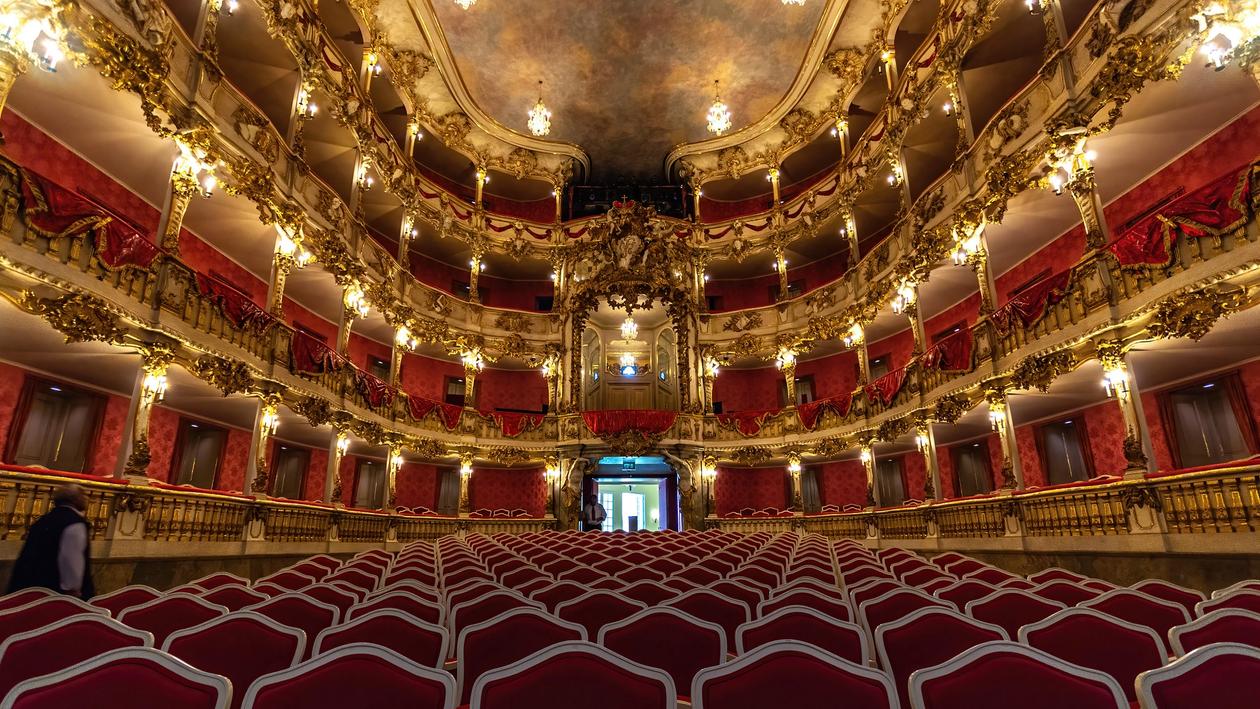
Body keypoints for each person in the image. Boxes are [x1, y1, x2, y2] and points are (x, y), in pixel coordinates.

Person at [7, 484, 94, 598]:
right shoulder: (74, 523)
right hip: (56, 592)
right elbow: (71, 558)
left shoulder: (44, 520)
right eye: (83, 495)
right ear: (75, 500)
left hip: (29, 587)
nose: (87, 499)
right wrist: (73, 588)